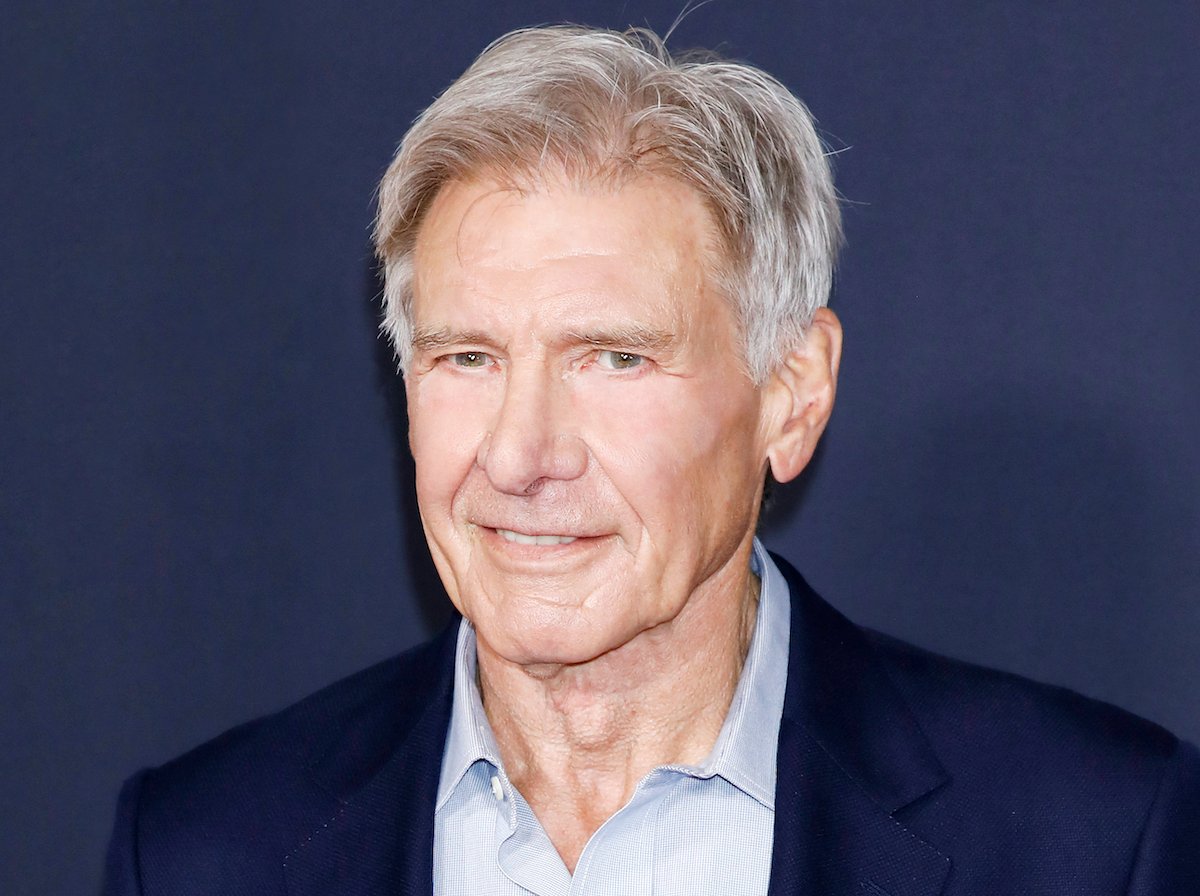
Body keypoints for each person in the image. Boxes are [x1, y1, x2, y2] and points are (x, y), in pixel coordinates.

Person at [102, 24, 1200, 896]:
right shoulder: (204, 848)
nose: (520, 455)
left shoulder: (1091, 839)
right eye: (468, 357)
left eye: (615, 357)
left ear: (792, 395)